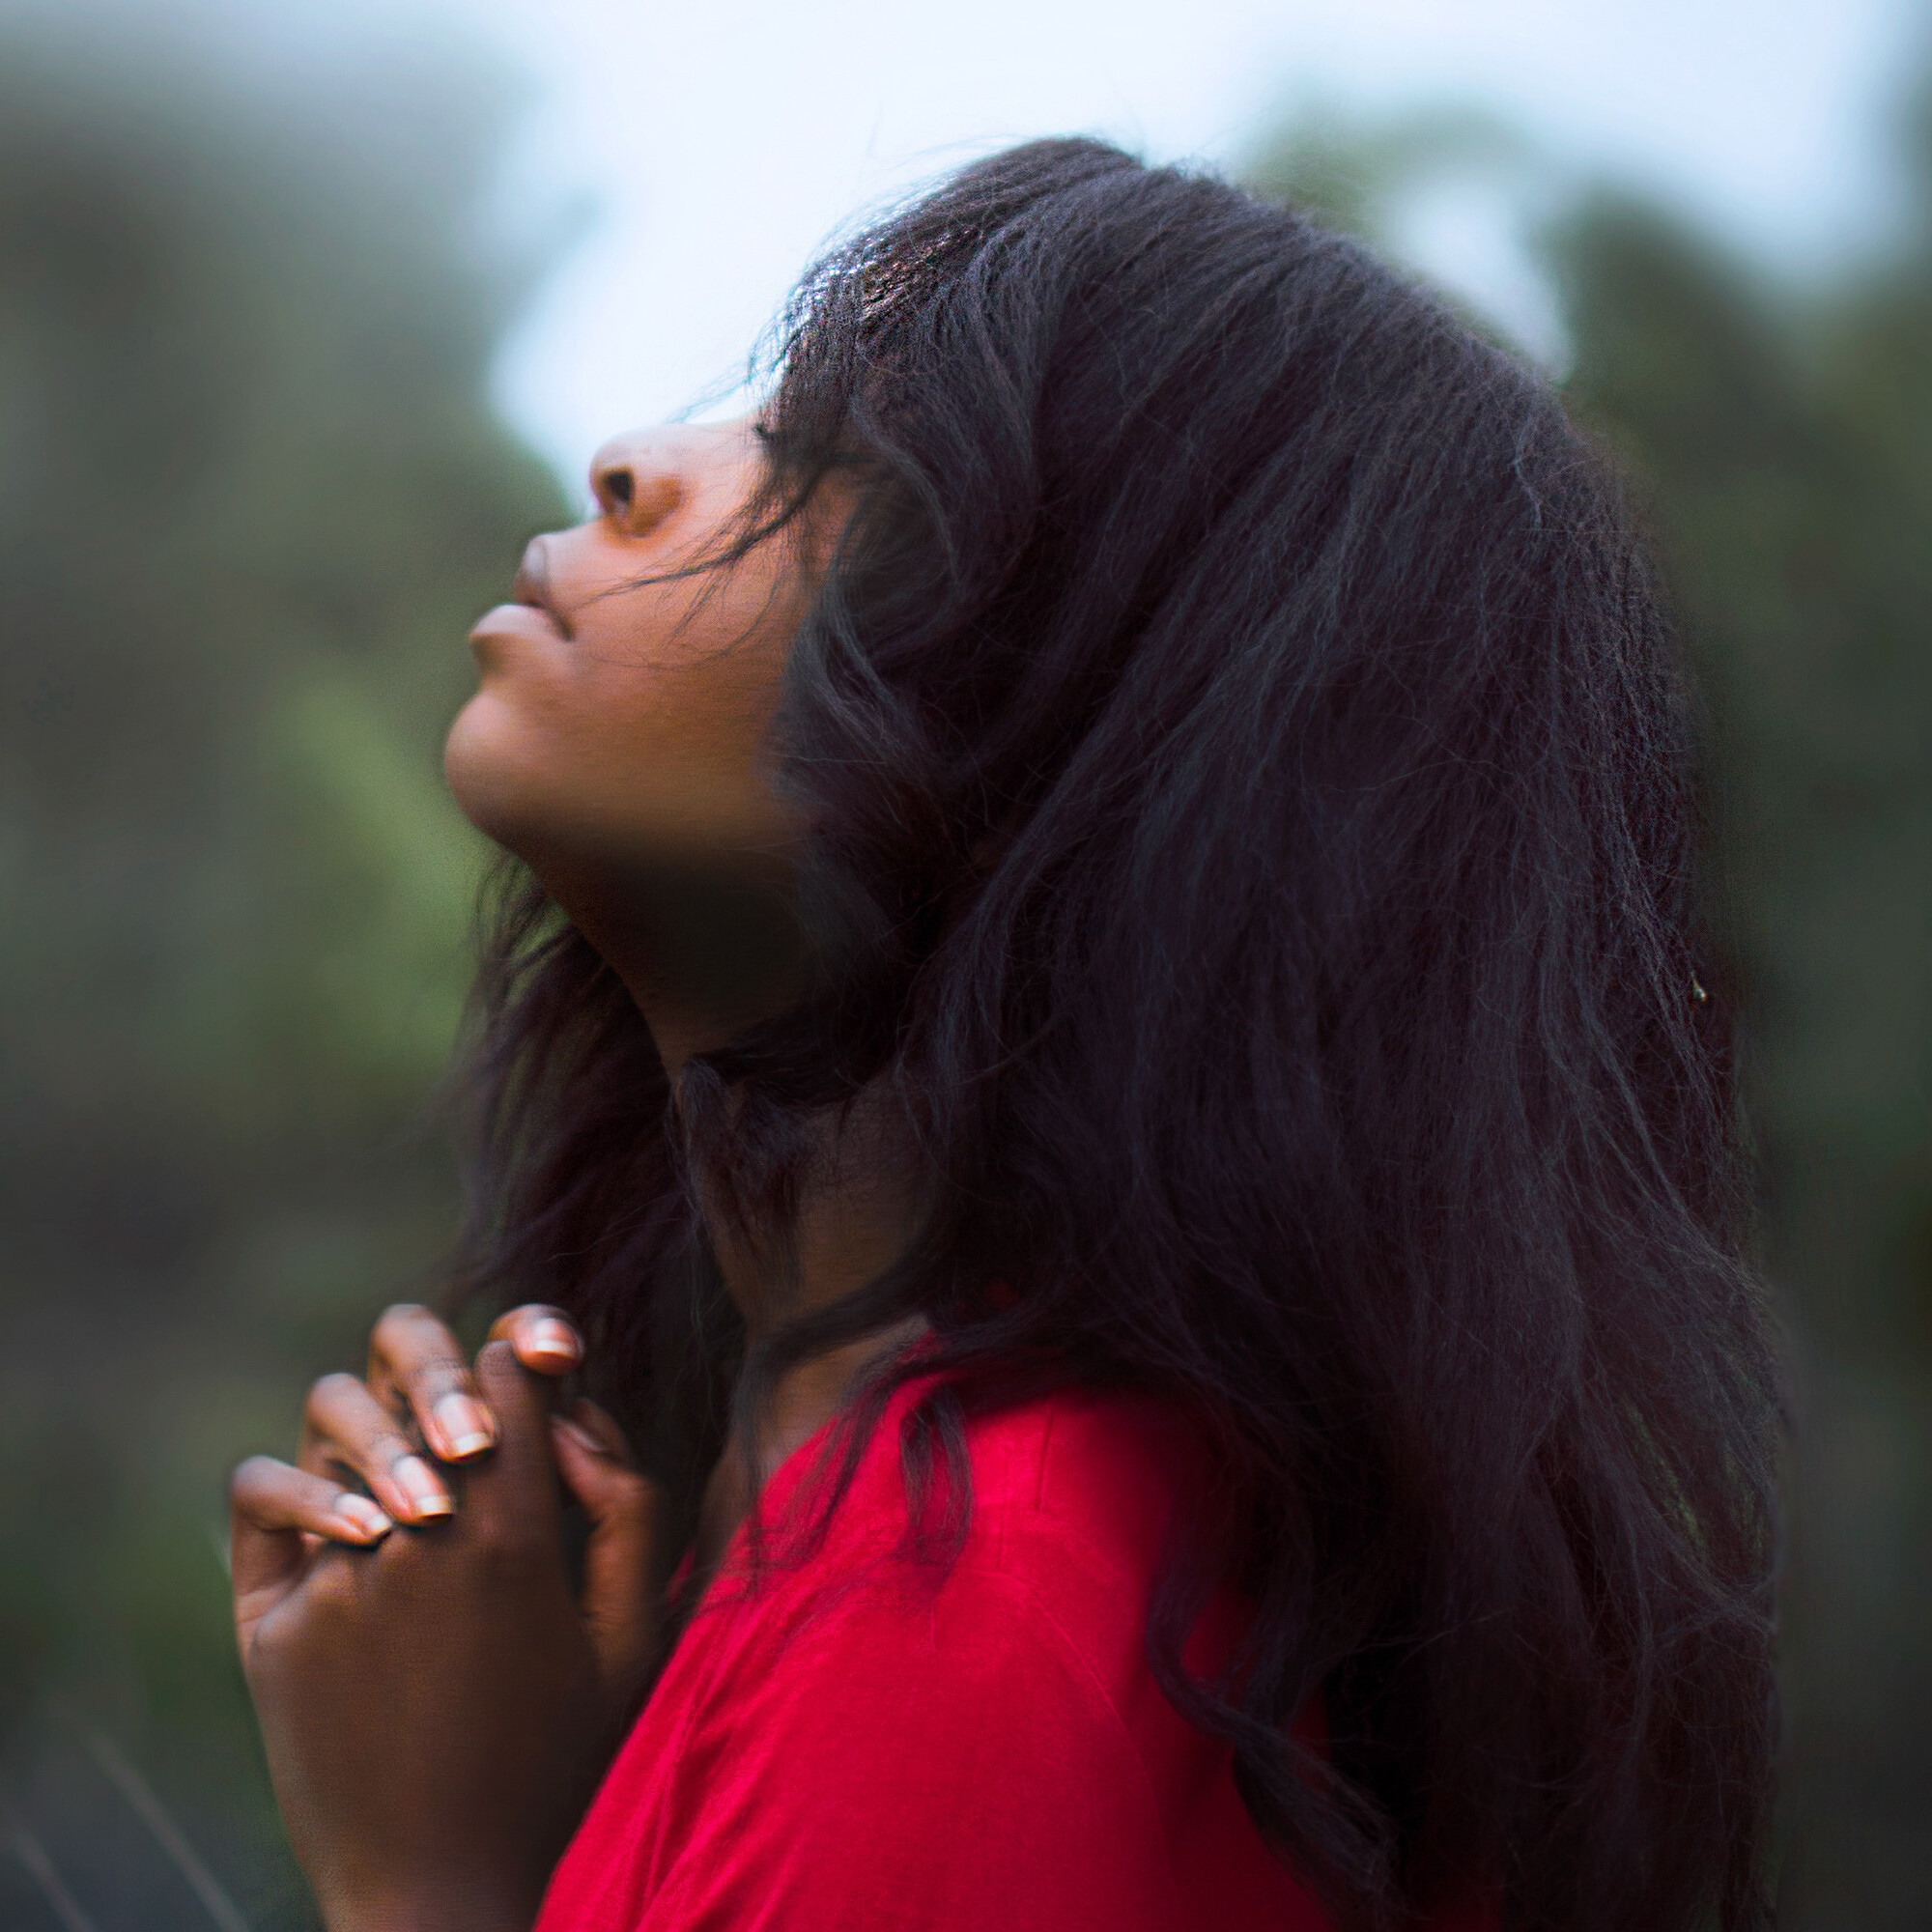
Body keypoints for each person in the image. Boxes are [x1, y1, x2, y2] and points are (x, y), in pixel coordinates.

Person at [227, 138, 1780, 1932]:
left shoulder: (979, 1622)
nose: (637, 461)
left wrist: (421, 1884)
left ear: (1114, 743)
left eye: (851, 469)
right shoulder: (933, 1545)